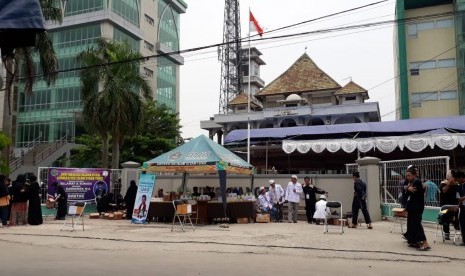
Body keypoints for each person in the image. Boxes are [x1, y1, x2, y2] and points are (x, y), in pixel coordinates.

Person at [402, 167, 430, 251]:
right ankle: (414, 241)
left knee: (417, 224)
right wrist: (407, 188)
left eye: (409, 175)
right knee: (411, 224)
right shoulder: (411, 182)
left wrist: (407, 189)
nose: (407, 177)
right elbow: (406, 193)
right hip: (412, 207)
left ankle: (424, 242)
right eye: (407, 176)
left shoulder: (416, 182)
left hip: (416, 207)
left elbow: (408, 194)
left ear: (414, 175)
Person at [439, 171, 460, 240]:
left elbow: (459, 195)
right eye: (452, 177)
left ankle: (455, 223)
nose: (453, 178)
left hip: (454, 206)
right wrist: (449, 184)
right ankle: (447, 233)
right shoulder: (443, 183)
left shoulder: (457, 185)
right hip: (444, 206)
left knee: (455, 215)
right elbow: (443, 191)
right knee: (444, 214)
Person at [455, 170, 465, 246]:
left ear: (462, 178)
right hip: (462, 207)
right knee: (462, 223)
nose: (457, 181)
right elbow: (458, 197)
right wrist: (458, 205)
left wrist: (463, 198)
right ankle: (464, 241)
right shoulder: (459, 186)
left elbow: (461, 197)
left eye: (458, 179)